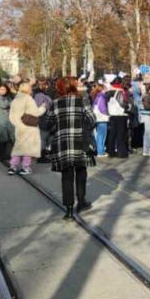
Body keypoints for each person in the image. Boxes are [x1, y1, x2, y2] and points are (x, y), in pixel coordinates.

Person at [46, 77, 95, 220]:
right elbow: (92, 119)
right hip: (81, 141)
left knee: (66, 176)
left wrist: (59, 129)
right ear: (74, 87)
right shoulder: (82, 100)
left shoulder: (55, 103)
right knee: (81, 172)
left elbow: (48, 124)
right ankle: (81, 201)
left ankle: (68, 210)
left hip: (63, 143)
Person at [8, 81, 46, 175]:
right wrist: (43, 107)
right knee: (28, 149)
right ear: (28, 89)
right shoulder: (28, 99)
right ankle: (25, 167)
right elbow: (36, 112)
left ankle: (13, 166)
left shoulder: (15, 99)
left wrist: (17, 124)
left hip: (19, 127)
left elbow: (11, 116)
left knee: (19, 147)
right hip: (29, 127)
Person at [106, 77, 130, 158]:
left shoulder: (108, 91)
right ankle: (121, 152)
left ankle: (111, 152)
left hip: (112, 114)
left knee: (112, 134)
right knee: (120, 134)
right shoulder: (119, 91)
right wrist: (128, 106)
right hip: (120, 114)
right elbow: (122, 103)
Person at [33, 79, 53, 163]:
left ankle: (41, 155)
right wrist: (45, 106)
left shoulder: (35, 95)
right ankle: (41, 156)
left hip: (40, 119)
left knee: (42, 138)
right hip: (43, 119)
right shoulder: (41, 96)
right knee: (43, 139)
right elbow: (41, 108)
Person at [0, 83, 14, 161]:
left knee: (5, 137)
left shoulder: (7, 97)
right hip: (0, 118)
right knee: (0, 137)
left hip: (7, 118)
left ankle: (4, 154)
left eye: (4, 89)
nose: (3, 91)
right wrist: (10, 103)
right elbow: (4, 105)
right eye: (1, 89)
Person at [91, 83, 109, 157]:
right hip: (102, 118)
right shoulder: (102, 97)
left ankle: (99, 150)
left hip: (97, 118)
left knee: (99, 135)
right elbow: (102, 109)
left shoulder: (96, 96)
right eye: (105, 88)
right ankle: (101, 152)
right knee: (102, 136)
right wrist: (107, 113)